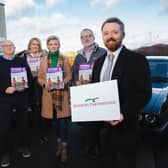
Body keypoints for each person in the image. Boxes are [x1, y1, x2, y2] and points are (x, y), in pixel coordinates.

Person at [91, 17, 152, 168]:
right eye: (106, 33)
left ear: (123, 34)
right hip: (101, 131)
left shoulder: (137, 60)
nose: (110, 36)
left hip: (125, 130)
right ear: (102, 36)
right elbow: (95, 91)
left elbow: (144, 93)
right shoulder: (98, 63)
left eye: (114, 32)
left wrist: (123, 113)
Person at [72, 28, 106, 158]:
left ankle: (96, 146)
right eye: (83, 37)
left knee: (97, 121)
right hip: (82, 92)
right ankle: (87, 144)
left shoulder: (103, 52)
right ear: (81, 40)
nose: (86, 39)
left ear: (93, 37)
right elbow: (75, 72)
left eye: (88, 36)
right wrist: (76, 82)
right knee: (85, 121)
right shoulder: (78, 56)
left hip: (98, 91)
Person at [38, 35, 72, 162]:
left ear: (59, 45)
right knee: (55, 124)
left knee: (63, 123)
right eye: (51, 44)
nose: (53, 46)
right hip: (48, 95)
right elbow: (40, 77)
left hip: (62, 95)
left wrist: (63, 81)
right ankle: (59, 144)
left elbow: (69, 75)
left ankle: (64, 148)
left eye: (55, 44)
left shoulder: (65, 59)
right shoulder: (42, 60)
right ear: (47, 46)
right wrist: (44, 83)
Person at [0, 40, 33, 167]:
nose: (9, 48)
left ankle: (23, 146)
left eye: (11, 45)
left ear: (15, 47)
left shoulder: (21, 61)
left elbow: (29, 78)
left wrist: (24, 87)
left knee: (23, 124)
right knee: (4, 127)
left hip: (21, 97)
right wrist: (4, 89)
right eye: (6, 46)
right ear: (1, 48)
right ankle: (5, 153)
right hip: (4, 99)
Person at [20, 37, 46, 143]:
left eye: (37, 44)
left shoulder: (43, 56)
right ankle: (32, 133)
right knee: (30, 108)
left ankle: (41, 133)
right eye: (33, 44)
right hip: (28, 84)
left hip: (40, 83)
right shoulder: (23, 56)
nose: (35, 46)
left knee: (40, 107)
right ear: (29, 45)